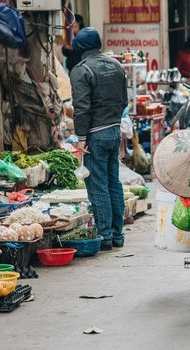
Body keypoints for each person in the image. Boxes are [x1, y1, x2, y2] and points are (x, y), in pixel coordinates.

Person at [70, 27, 128, 251]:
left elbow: (81, 108)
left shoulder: (81, 70)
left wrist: (81, 137)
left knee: (98, 186)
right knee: (114, 183)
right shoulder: (116, 65)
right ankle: (117, 235)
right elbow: (124, 100)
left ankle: (104, 236)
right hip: (114, 130)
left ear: (80, 48)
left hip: (95, 134)